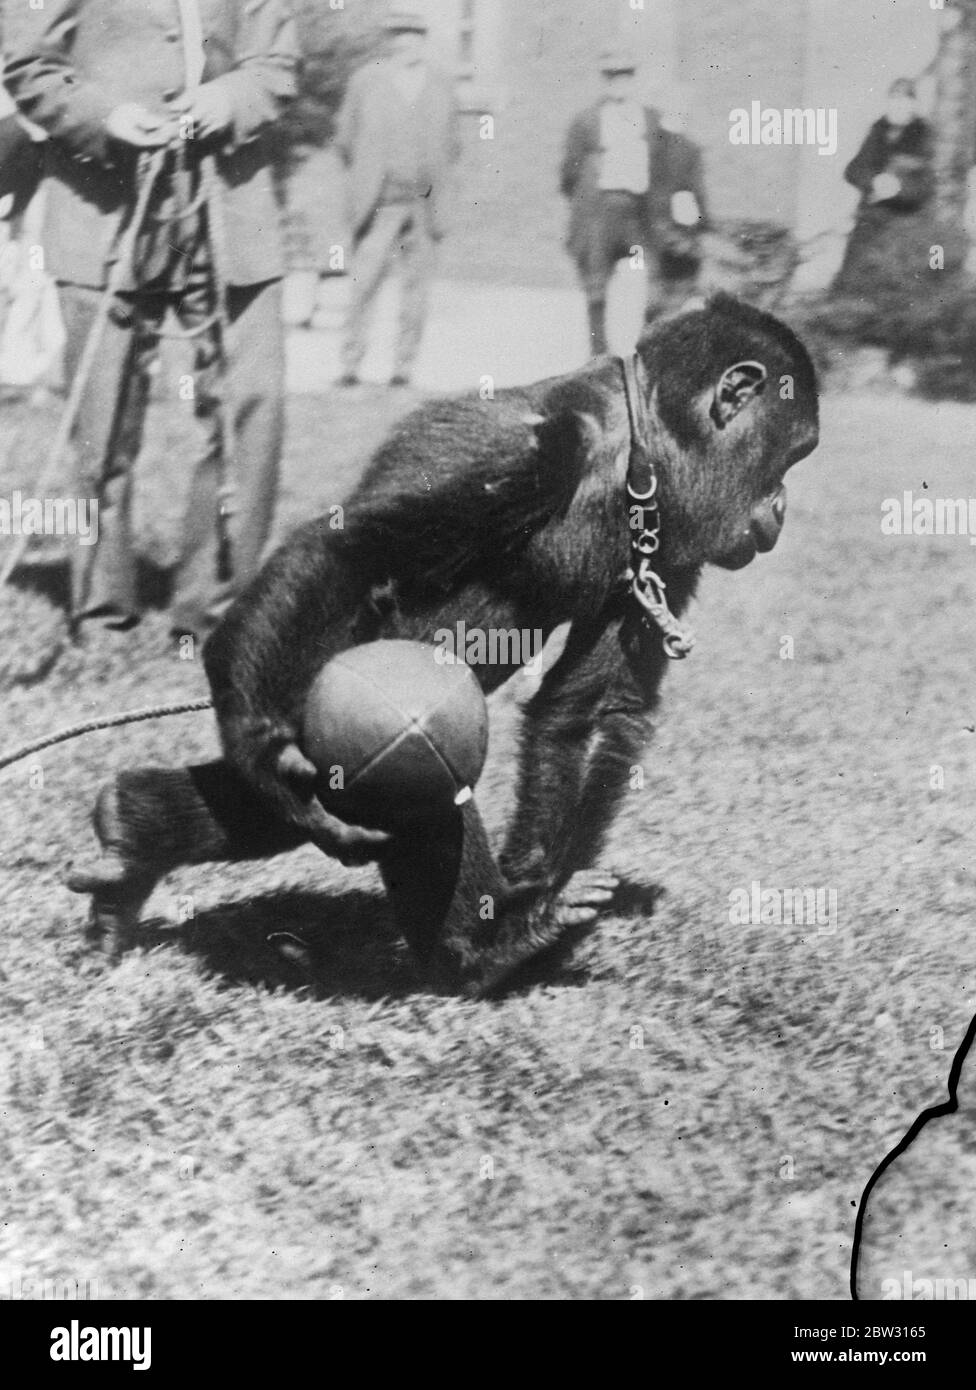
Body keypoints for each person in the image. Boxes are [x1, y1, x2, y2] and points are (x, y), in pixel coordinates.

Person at [2, 0, 298, 641]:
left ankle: (216, 610)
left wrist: (227, 99)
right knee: (100, 424)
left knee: (250, 407)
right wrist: (106, 117)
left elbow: (275, 65)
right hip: (100, 212)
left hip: (229, 209)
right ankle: (102, 607)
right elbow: (27, 64)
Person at [335, 8, 460, 389]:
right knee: (363, 285)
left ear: (424, 40)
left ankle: (403, 368)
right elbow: (345, 139)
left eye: (415, 35)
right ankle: (350, 365)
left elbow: (453, 144)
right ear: (390, 42)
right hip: (380, 204)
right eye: (399, 36)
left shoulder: (441, 84)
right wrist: (370, 176)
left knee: (416, 291)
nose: (407, 43)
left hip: (423, 205)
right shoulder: (366, 82)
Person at [561, 52, 709, 356]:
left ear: (633, 80)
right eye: (612, 78)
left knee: (656, 283)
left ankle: (649, 350)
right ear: (604, 82)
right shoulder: (586, 120)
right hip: (601, 211)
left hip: (642, 213)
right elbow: (569, 174)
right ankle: (598, 354)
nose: (619, 84)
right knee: (596, 286)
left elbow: (675, 157)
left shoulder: (651, 119)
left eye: (625, 77)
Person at [833, 78, 934, 300]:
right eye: (894, 101)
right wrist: (875, 180)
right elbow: (853, 170)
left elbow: (926, 187)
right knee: (850, 292)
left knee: (892, 294)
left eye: (904, 102)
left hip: (902, 224)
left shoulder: (924, 135)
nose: (897, 107)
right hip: (868, 222)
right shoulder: (878, 130)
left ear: (914, 105)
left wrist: (898, 188)